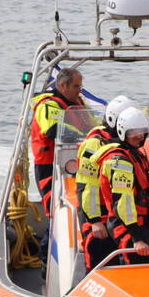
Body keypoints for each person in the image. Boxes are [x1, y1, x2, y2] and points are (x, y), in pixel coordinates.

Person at [75, 94, 135, 270]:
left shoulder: (125, 142)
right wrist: (95, 221)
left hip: (115, 211)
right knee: (99, 261)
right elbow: (87, 186)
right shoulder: (94, 144)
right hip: (97, 213)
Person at [97, 107, 149, 265]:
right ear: (123, 132)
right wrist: (137, 239)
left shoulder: (135, 154)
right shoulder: (120, 161)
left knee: (145, 270)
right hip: (127, 228)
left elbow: (144, 196)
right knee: (134, 270)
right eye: (133, 132)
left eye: (142, 131)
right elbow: (122, 202)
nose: (139, 136)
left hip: (141, 224)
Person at [30, 67, 87, 215]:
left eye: (80, 86)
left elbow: (91, 124)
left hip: (77, 162)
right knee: (55, 211)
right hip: (50, 165)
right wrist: (84, 136)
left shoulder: (79, 104)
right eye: (76, 86)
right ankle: (49, 238)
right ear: (63, 86)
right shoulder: (47, 105)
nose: (79, 90)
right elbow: (53, 130)